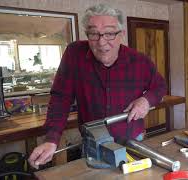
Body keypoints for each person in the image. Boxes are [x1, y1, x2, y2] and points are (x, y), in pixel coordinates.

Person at [28, 4, 167, 169]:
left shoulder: (140, 61)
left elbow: (159, 86)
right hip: (93, 144)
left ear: (121, 34)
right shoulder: (74, 54)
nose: (101, 42)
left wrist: (146, 100)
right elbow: (61, 98)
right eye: (94, 34)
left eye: (109, 33)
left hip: (132, 142)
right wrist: (51, 139)